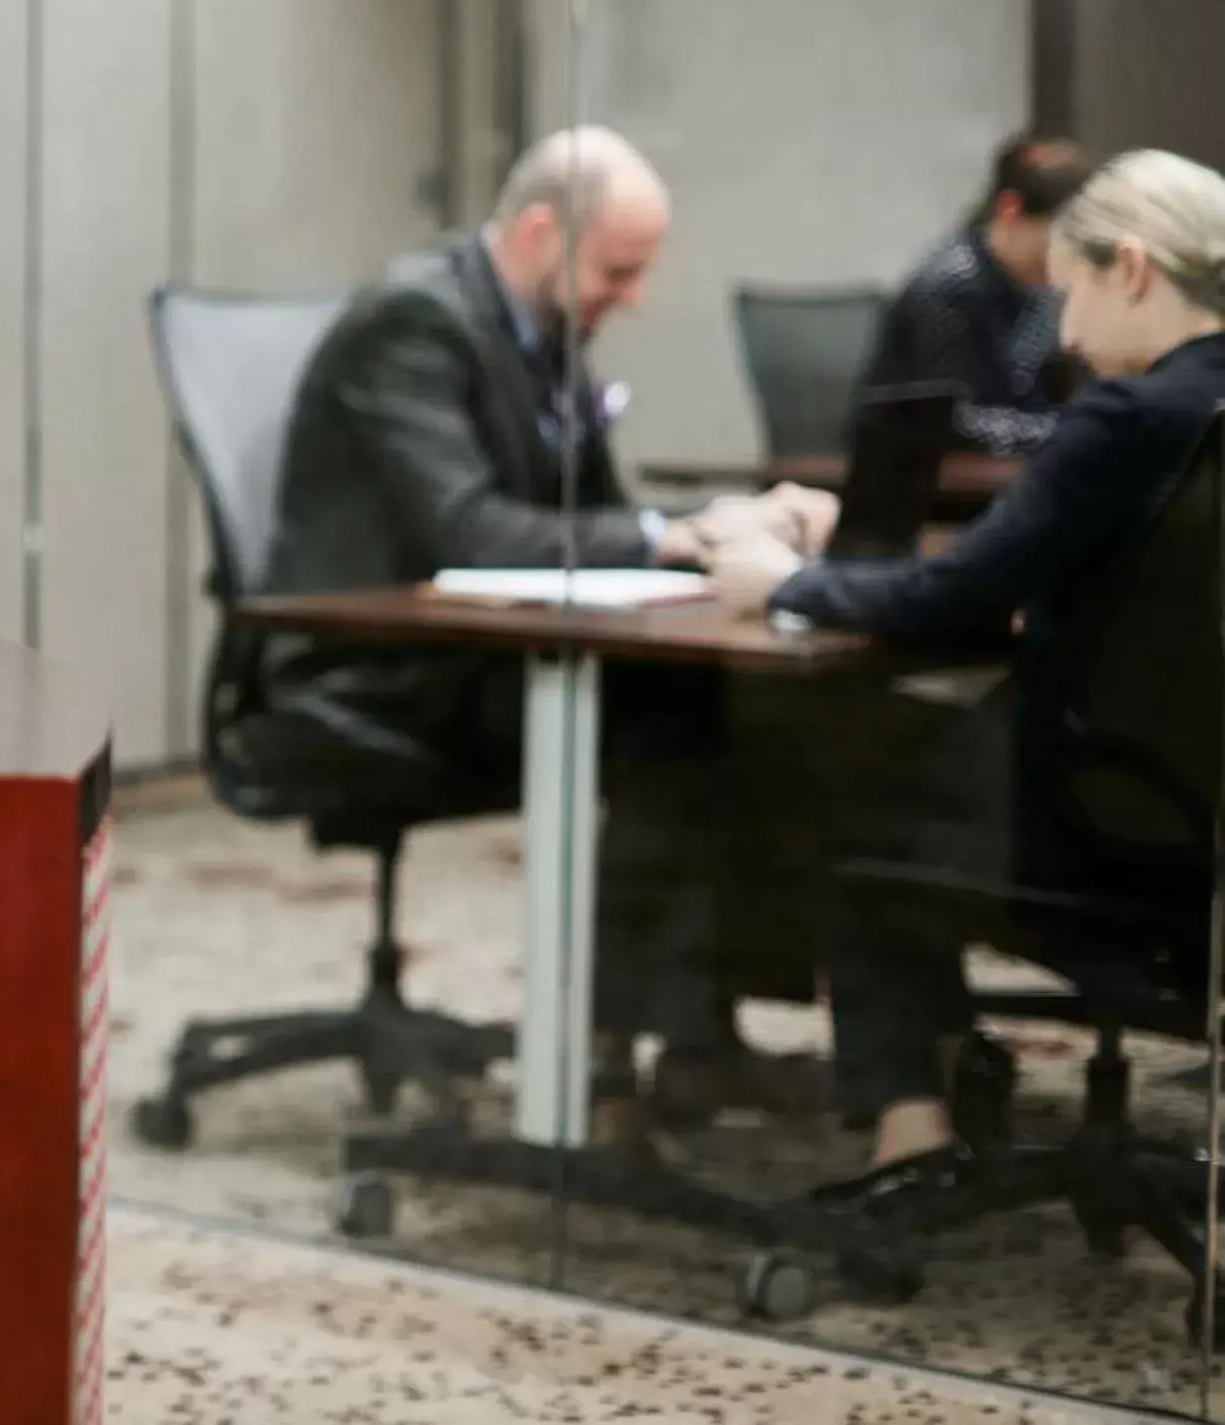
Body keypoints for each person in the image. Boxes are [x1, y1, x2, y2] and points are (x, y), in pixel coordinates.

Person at [264, 126, 829, 1142]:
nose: (634, 295)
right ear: (537, 231)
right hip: (379, 665)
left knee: (747, 703)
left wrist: (721, 528)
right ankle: (612, 1054)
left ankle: (688, 1036)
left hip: (492, 645)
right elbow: (472, 533)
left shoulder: (544, 324)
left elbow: (594, 517)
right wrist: (679, 533)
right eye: (620, 268)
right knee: (679, 720)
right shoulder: (416, 321)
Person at [707, 149, 1225, 1205]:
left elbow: (954, 597)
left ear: (1131, 269)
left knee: (848, 783)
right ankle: (950, 1064)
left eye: (1075, 291)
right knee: (919, 771)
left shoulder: (1128, 420)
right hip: (1195, 822)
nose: (1069, 335)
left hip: (1094, 825)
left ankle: (910, 1126)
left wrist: (788, 582)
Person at [860, 132, 1094, 455]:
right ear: (1010, 210)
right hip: (928, 480)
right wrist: (1060, 433)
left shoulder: (1039, 292)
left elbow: (1042, 396)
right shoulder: (946, 287)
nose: (1065, 257)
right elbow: (949, 422)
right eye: (1059, 238)